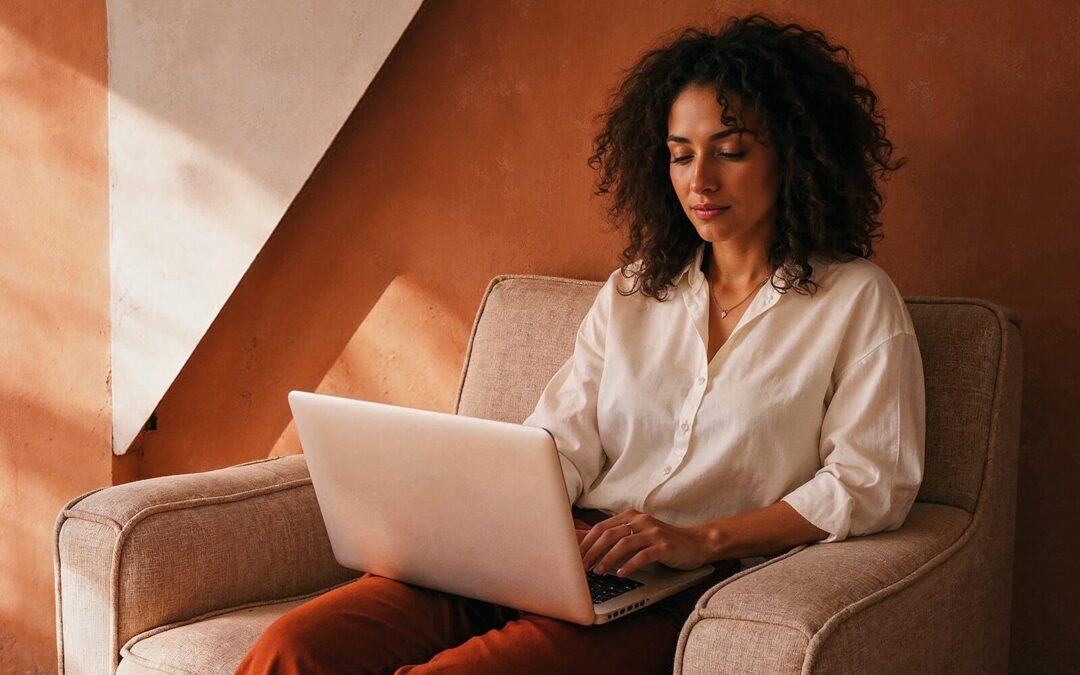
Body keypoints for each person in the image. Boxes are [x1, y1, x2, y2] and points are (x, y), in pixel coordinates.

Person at [236, 13, 924, 675]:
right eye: (680, 155)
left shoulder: (856, 300)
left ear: (794, 157)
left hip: (679, 584)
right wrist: (525, 522)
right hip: (558, 550)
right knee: (293, 649)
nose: (700, 180)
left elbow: (871, 483)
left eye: (731, 150)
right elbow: (561, 439)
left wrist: (699, 538)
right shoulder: (635, 290)